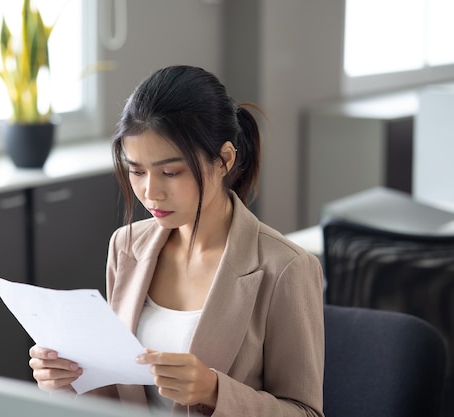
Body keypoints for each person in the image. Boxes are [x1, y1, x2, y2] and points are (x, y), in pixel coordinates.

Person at [29, 65, 324, 417]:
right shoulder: (125, 247)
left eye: (171, 172)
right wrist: (69, 380)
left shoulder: (286, 268)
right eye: (136, 171)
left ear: (224, 160)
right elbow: (119, 393)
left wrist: (215, 392)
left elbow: (306, 412)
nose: (150, 192)